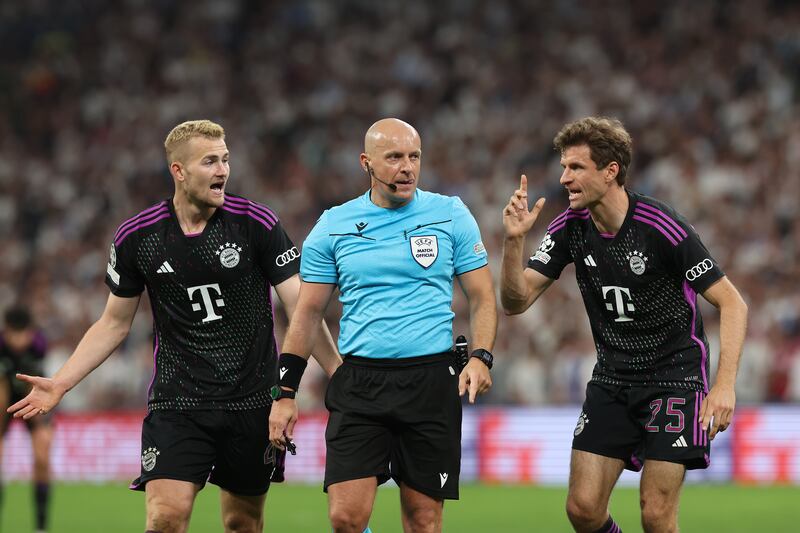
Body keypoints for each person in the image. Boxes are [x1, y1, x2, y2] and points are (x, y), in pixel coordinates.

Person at [8, 119, 341, 533]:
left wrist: (339, 373)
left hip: (252, 403)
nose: (222, 170)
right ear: (178, 171)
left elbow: (302, 308)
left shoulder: (256, 223)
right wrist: (61, 382)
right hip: (177, 402)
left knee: (242, 523)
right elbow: (113, 324)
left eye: (225, 160)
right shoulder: (138, 237)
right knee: (165, 518)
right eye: (209, 162)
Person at [500, 116, 748, 533]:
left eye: (576, 167)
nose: (563, 178)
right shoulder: (569, 228)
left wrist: (724, 385)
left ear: (610, 171)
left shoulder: (660, 227)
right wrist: (512, 242)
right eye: (563, 167)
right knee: (582, 509)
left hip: (676, 378)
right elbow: (515, 301)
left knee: (655, 514)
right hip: (613, 379)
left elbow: (732, 302)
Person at [268, 118, 497, 533]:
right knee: (345, 518)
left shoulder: (450, 214)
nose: (406, 167)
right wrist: (285, 392)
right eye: (393, 157)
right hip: (361, 383)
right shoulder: (334, 224)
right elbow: (306, 313)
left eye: (414, 157)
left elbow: (482, 296)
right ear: (366, 163)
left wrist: (481, 357)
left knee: (423, 520)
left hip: (430, 381)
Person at [0, 306, 53, 533]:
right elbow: (2, 394)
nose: (20, 340)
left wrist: (39, 423)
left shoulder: (39, 344)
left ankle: (40, 528)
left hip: (31, 397)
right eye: (15, 334)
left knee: (42, 456)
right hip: (4, 397)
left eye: (24, 334)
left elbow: (37, 385)